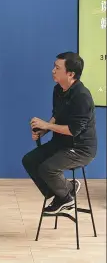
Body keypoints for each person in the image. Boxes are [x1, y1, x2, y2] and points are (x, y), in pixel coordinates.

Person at [23, 52, 97, 214]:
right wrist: (44, 129)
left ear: (71, 74)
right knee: (29, 160)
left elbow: (73, 130)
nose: (53, 70)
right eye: (54, 66)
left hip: (80, 149)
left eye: (57, 68)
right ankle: (63, 191)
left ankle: (65, 197)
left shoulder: (82, 96)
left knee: (47, 168)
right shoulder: (58, 89)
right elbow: (57, 114)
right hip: (61, 143)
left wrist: (47, 126)